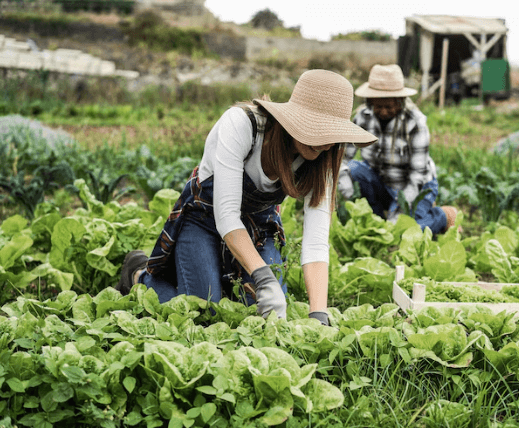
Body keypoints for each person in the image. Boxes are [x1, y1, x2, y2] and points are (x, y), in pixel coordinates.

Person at [117, 70, 377, 325]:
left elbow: (316, 242)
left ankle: (217, 277)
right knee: (205, 313)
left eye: (332, 133)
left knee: (268, 315)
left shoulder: (323, 159)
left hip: (258, 227)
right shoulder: (243, 125)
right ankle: (139, 273)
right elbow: (227, 215)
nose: (325, 143)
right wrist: (263, 276)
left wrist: (318, 312)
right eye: (316, 129)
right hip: (204, 220)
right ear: (294, 119)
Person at [338, 64, 458, 234]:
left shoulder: (415, 123)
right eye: (378, 106)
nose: (384, 111)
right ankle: (378, 220)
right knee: (355, 170)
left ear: (400, 101)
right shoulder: (362, 117)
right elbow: (343, 157)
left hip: (416, 187)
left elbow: (417, 176)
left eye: (389, 106)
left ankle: (443, 216)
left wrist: (398, 212)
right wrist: (344, 180)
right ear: (370, 101)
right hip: (383, 182)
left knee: (401, 233)